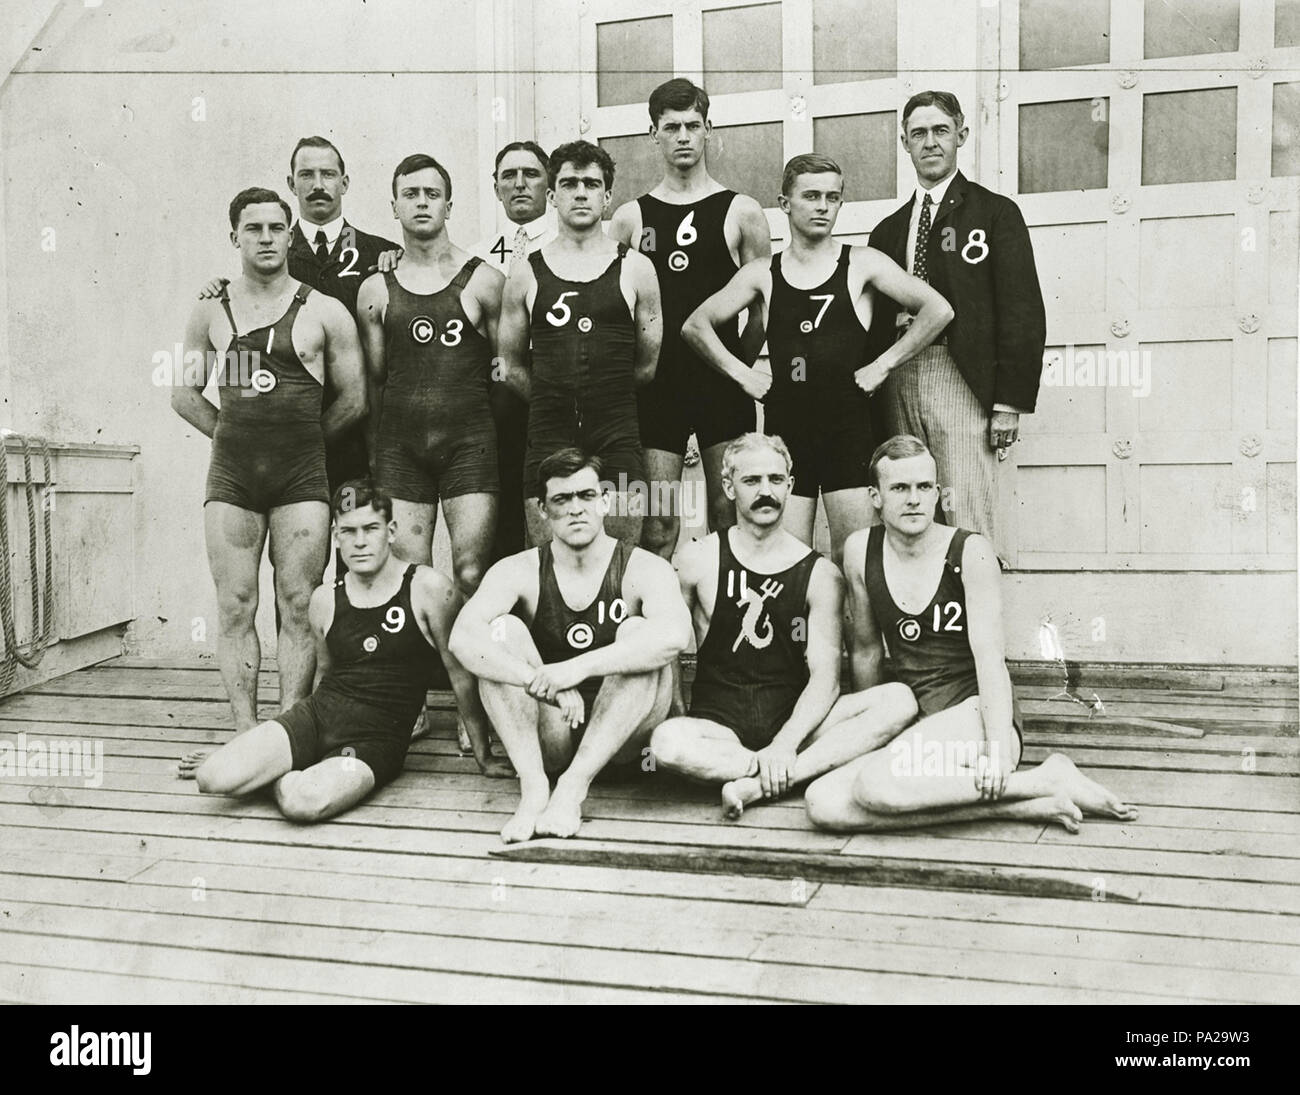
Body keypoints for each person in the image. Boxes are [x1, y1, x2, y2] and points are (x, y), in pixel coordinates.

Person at [804, 436, 1136, 833]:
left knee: (875, 784)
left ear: (938, 493)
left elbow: (990, 660)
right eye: (900, 488)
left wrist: (997, 752)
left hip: (975, 714)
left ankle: (1045, 777)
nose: (914, 499)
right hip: (914, 719)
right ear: (875, 496)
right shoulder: (860, 551)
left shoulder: (970, 551)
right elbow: (865, 652)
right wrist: (873, 733)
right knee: (823, 803)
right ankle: (1022, 803)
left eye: (924, 487)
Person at [172, 187, 365, 760]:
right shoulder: (211, 310)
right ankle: (243, 729)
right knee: (235, 603)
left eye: (276, 227)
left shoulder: (324, 310)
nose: (265, 238)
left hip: (301, 481)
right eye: (253, 228)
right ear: (234, 236)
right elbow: (184, 394)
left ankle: (289, 730)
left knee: (298, 601)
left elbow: (355, 399)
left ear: (289, 234)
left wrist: (301, 445)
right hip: (233, 481)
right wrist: (233, 437)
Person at [683, 154, 952, 564]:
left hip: (848, 427)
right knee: (786, 558)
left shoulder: (861, 262)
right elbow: (695, 325)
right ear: (785, 203)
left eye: (832, 197)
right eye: (811, 196)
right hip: (787, 430)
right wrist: (743, 374)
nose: (823, 206)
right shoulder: (763, 272)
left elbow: (938, 310)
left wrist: (883, 364)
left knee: (853, 556)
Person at [190, 479, 510, 819]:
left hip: (374, 740)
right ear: (335, 535)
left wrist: (483, 756)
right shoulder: (324, 599)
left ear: (391, 531)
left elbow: (460, 677)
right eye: (348, 531)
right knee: (211, 776)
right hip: (319, 718)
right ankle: (272, 771)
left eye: (370, 529)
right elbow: (324, 676)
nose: (359, 542)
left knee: (304, 802)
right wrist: (288, 738)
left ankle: (271, 778)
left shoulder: (428, 588)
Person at [650, 433, 917, 819]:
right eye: (751, 481)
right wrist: (677, 709)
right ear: (728, 487)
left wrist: (784, 743)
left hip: (796, 724)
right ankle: (775, 772)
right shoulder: (697, 560)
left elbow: (826, 680)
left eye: (776, 480)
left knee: (898, 700)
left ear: (790, 486)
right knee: (666, 742)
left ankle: (761, 780)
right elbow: (666, 648)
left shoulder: (820, 574)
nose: (766, 492)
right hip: (720, 728)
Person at [449, 448, 691, 843]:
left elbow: (675, 636)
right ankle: (534, 789)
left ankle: (572, 789)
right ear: (543, 510)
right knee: (502, 631)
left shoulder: (644, 567)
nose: (576, 509)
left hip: (626, 739)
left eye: (586, 496)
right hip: (554, 735)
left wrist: (574, 670)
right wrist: (541, 682)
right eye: (561, 499)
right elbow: (462, 637)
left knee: (639, 633)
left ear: (605, 501)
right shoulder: (519, 569)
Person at [199, 136, 400, 573]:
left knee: (358, 561)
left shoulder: (382, 255)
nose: (318, 184)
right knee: (291, 575)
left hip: (354, 438)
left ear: (345, 182)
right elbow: (238, 353)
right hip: (280, 441)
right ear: (291, 183)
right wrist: (240, 437)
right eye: (306, 174)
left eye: (328, 174)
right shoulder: (271, 252)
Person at [866, 92, 1046, 556]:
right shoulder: (887, 230)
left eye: (940, 131)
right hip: (899, 373)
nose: (930, 142)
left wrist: (1008, 402)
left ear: (961, 135)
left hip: (960, 373)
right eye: (919, 133)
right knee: (907, 508)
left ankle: (977, 600)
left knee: (965, 511)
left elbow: (1022, 309)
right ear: (904, 142)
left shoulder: (995, 213)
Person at [608, 78, 772, 559]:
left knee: (727, 515)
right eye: (671, 127)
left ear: (708, 130)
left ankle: (723, 608)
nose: (683, 136)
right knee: (658, 522)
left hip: (722, 388)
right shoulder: (631, 217)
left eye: (692, 126)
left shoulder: (741, 211)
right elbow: (616, 309)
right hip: (657, 391)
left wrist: (735, 367)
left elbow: (763, 307)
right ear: (653, 134)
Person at [496, 141, 663, 547]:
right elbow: (510, 365)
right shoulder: (525, 273)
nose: (581, 193)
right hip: (548, 432)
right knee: (547, 561)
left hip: (617, 432)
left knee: (621, 558)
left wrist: (603, 394)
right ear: (553, 196)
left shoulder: (637, 268)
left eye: (592, 183)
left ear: (608, 196)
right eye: (570, 184)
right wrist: (553, 395)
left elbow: (646, 365)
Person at [356, 153, 501, 601]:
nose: (422, 202)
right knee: (413, 577)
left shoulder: (484, 281)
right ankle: (428, 653)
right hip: (401, 447)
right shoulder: (375, 289)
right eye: (411, 194)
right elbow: (375, 381)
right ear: (394, 206)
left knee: (472, 573)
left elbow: (507, 372)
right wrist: (375, 452)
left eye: (432, 194)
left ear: (448, 206)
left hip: (469, 446)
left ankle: (472, 651)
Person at [473, 141, 557, 563]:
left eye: (531, 174)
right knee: (504, 508)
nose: (520, 184)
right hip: (499, 390)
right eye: (509, 176)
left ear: (550, 185)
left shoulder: (568, 242)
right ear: (496, 188)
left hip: (556, 382)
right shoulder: (477, 257)